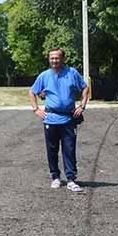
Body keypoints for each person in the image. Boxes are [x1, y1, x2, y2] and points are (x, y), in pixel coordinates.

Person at [29, 48, 89, 192]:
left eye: (57, 58)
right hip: (50, 119)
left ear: (63, 59)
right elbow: (32, 92)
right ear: (49, 59)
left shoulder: (72, 73)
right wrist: (36, 109)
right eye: (52, 58)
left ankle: (71, 180)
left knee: (69, 149)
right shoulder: (44, 76)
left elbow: (85, 88)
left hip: (69, 119)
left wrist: (82, 106)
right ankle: (55, 177)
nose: (54, 60)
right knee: (52, 150)